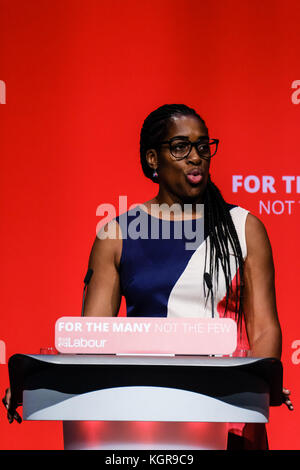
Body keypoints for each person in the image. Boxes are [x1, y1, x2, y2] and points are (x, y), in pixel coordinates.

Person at [3, 104, 293, 449]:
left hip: (225, 414)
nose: (196, 157)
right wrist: (38, 381)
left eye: (203, 146)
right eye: (181, 147)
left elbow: (264, 327)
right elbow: (91, 341)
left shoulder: (244, 228)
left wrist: (258, 385)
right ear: (153, 159)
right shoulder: (117, 235)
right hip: (146, 416)